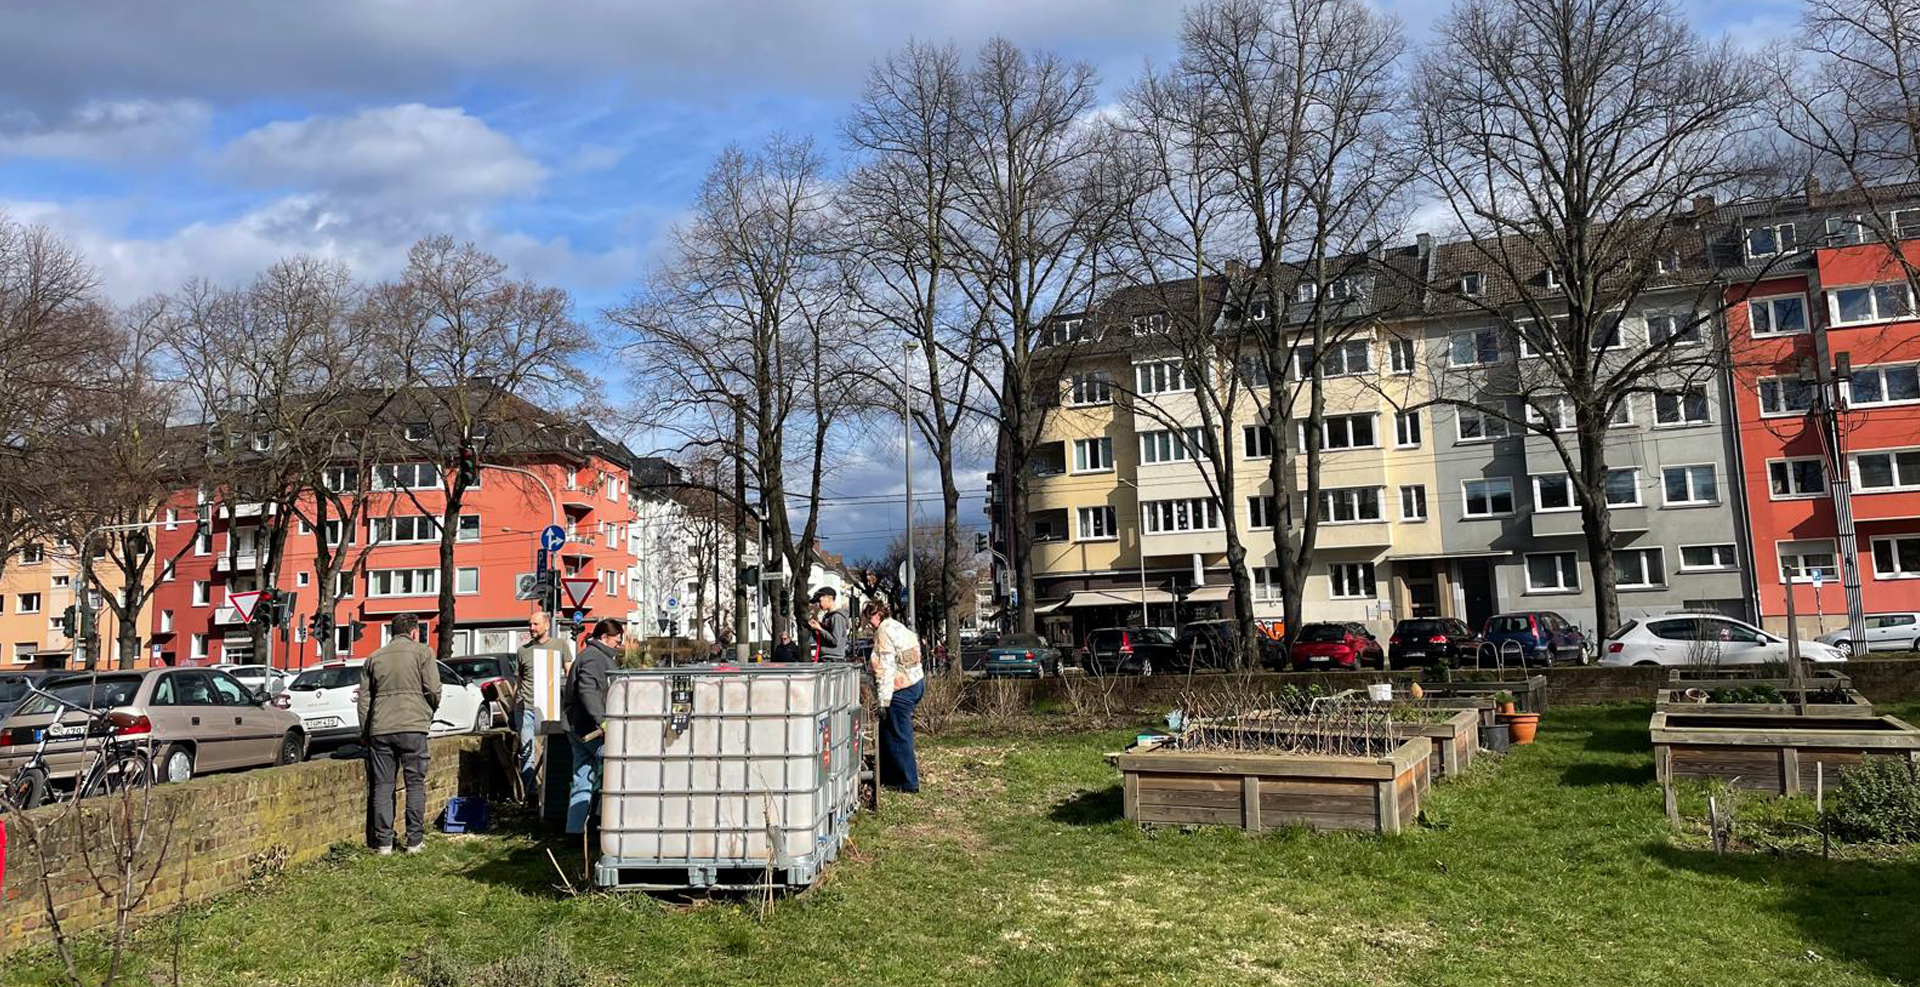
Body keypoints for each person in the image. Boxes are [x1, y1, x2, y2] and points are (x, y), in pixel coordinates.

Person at [358, 613, 440, 854]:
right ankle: (414, 841)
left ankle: (383, 843)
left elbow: (364, 700)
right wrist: (427, 712)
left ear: (392, 632)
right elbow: (433, 689)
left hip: (381, 729)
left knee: (382, 786)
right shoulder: (423, 653)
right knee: (414, 784)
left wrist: (366, 730)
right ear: (414, 632)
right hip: (413, 726)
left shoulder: (374, 658)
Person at [562, 617, 622, 836]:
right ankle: (602, 823)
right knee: (618, 772)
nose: (619, 646)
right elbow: (588, 690)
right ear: (604, 637)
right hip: (592, 730)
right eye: (617, 641)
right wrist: (602, 720)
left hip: (577, 727)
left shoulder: (589, 655)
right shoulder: (595, 658)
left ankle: (575, 831)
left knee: (582, 780)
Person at [863, 599, 924, 793]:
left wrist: (883, 701)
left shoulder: (883, 632)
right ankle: (888, 776)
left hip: (900, 688)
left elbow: (885, 668)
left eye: (869, 617)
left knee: (898, 735)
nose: (868, 623)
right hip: (915, 682)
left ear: (878, 615)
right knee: (888, 732)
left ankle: (907, 782)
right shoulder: (898, 627)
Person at [513, 608, 565, 804]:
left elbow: (569, 672)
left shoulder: (559, 646)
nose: (531, 627)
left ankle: (551, 793)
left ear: (547, 625)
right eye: (529, 624)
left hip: (550, 707)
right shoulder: (523, 651)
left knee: (551, 750)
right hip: (526, 707)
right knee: (526, 752)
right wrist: (514, 705)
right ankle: (532, 795)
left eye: (535, 624)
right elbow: (519, 680)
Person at [807, 587, 849, 662]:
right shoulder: (827, 617)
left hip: (834, 659)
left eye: (820, 601)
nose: (818, 604)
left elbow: (834, 641)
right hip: (826, 657)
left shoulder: (837, 617)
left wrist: (820, 628)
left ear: (829, 598)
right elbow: (821, 640)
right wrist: (814, 629)